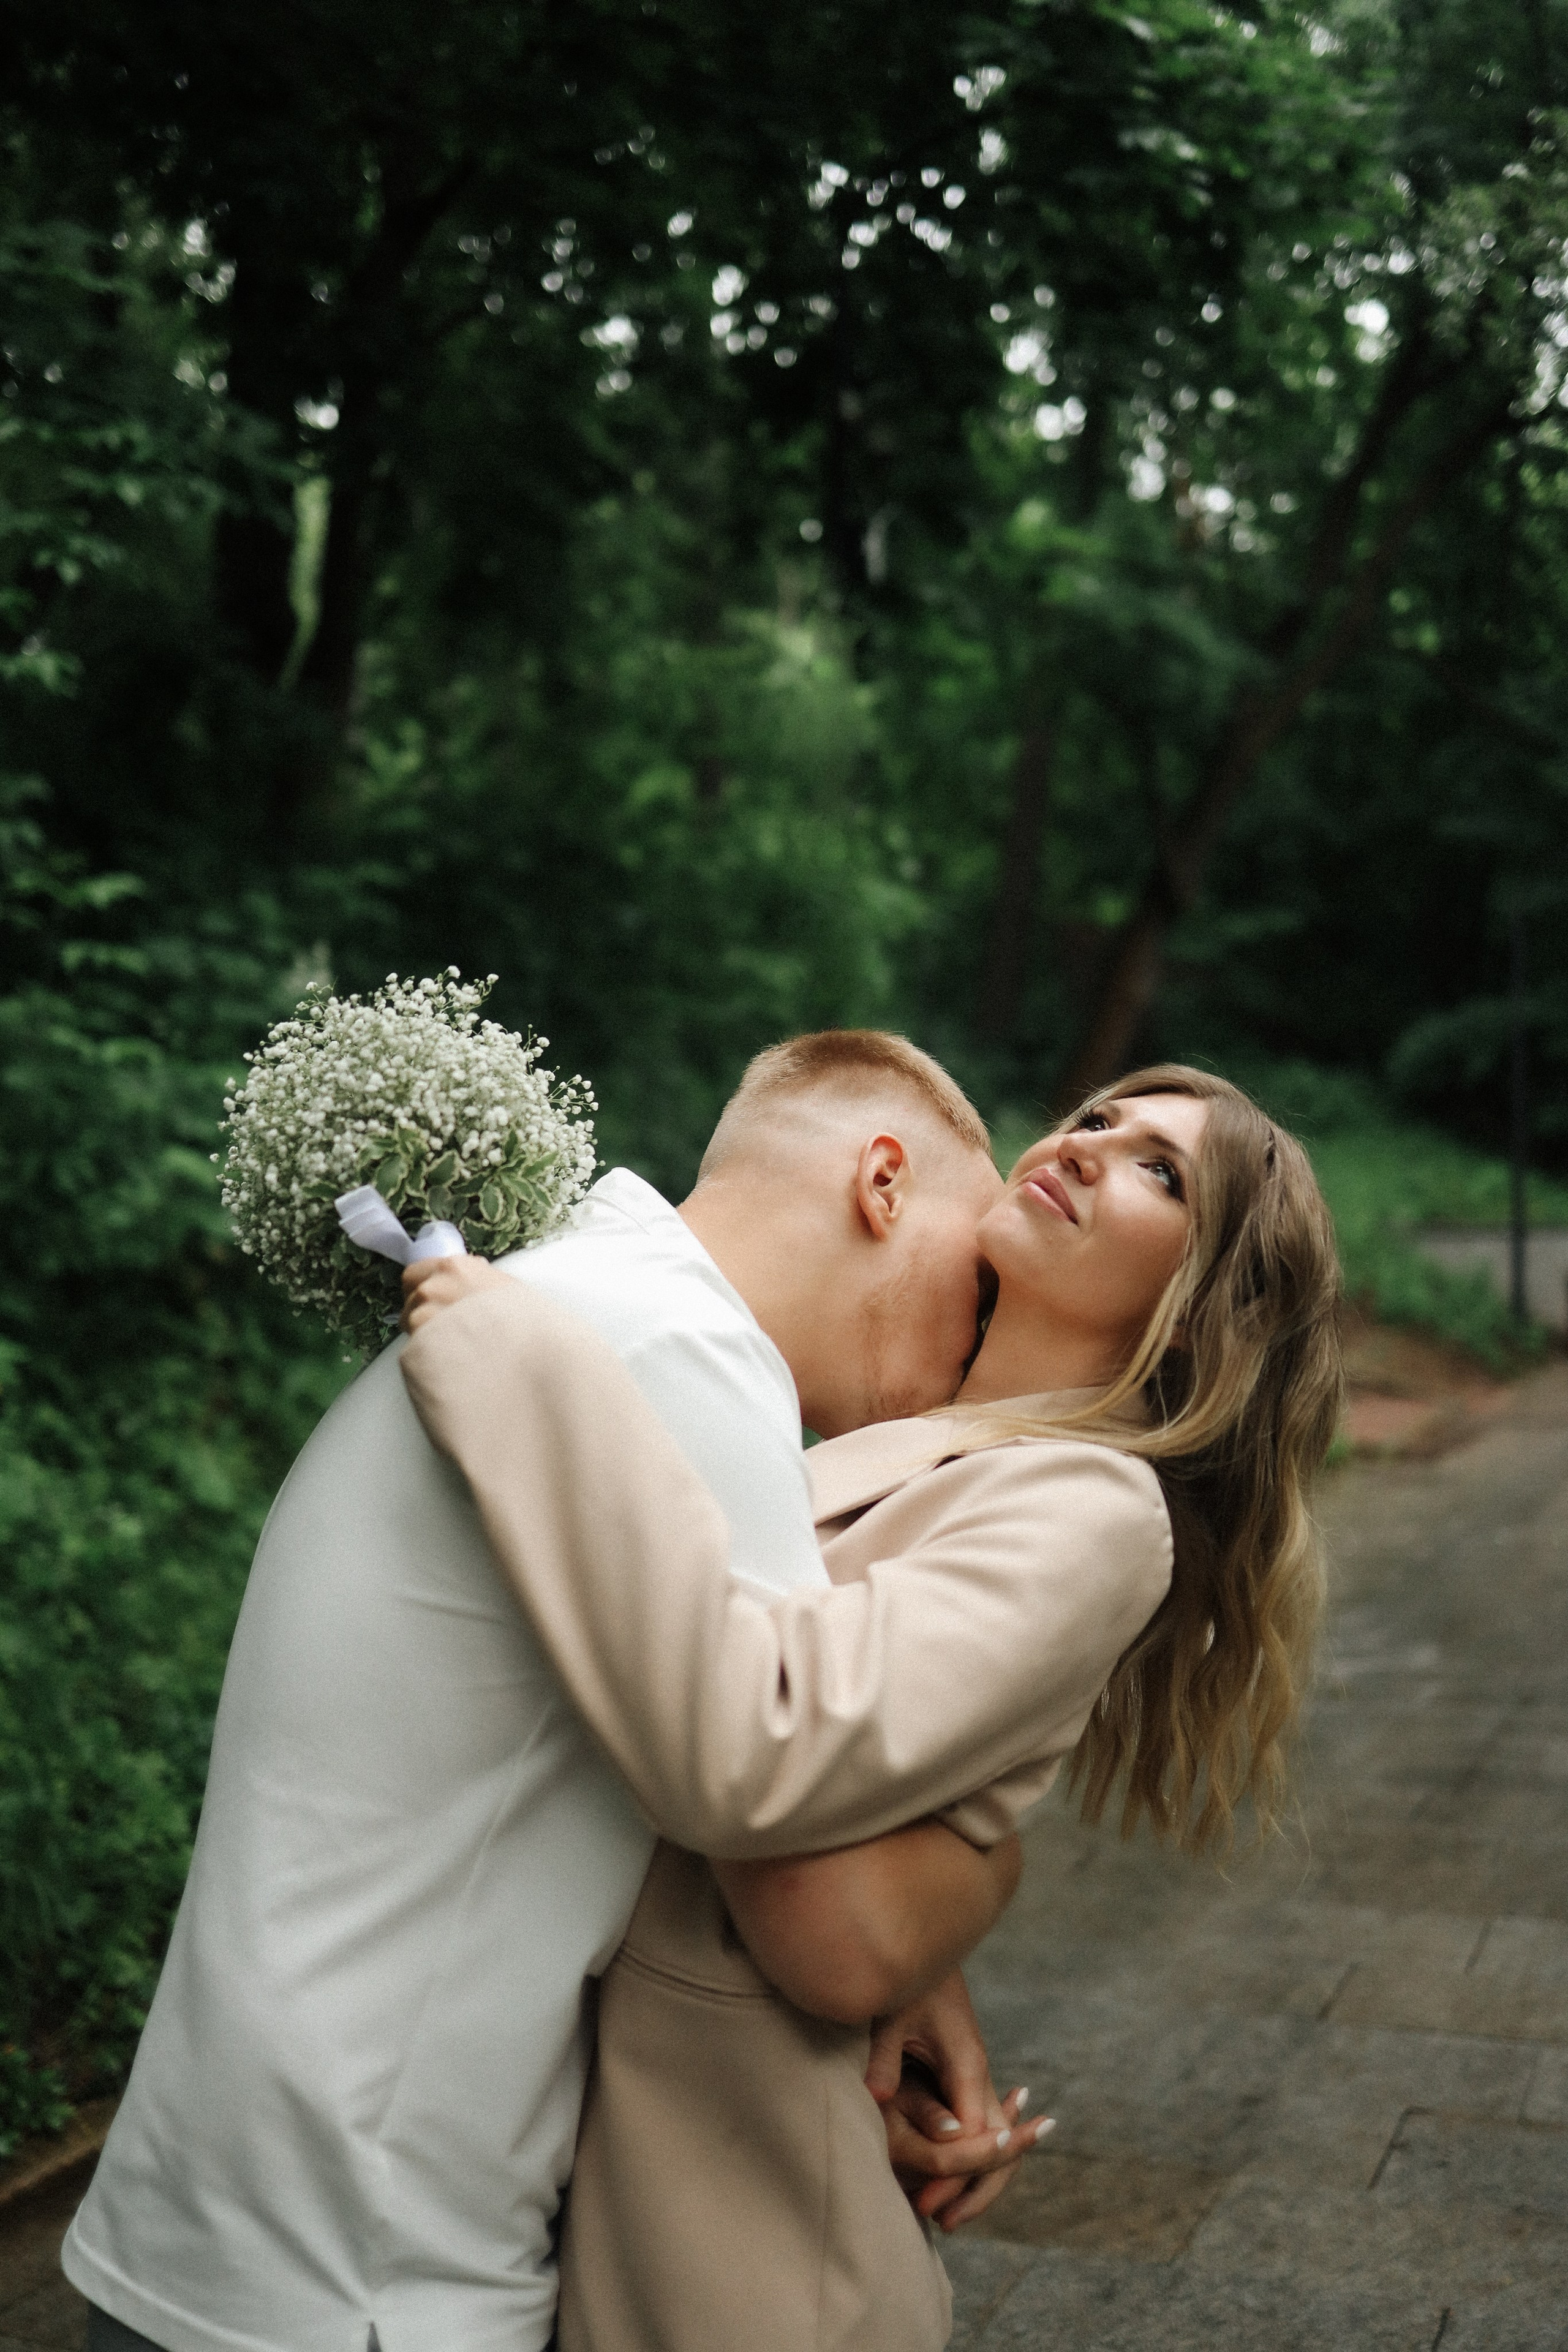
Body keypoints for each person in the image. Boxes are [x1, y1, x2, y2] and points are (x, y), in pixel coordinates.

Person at [62, 1031, 1018, 2352]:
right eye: (977, 1286)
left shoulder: (562, 1304)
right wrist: (982, 1882)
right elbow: (822, 1879)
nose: (976, 1348)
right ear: (881, 1182)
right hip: (363, 2271)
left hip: (245, 2217)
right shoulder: (684, 1358)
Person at [399, 1062, 1345, 2352]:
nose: (1087, 1145)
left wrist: (523, 1365)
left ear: (1194, 1319)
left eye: (1159, 1172)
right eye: (1094, 1119)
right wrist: (941, 1921)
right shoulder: (887, 1418)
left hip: (751, 2261)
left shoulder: (1092, 1509)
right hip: (577, 2191)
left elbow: (757, 1744)